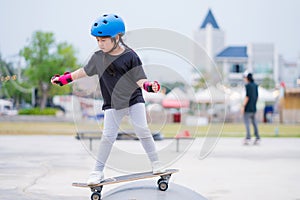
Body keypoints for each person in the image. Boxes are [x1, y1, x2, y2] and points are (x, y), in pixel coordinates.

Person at [51, 13, 165, 185]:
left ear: (117, 38)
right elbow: (83, 71)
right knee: (108, 137)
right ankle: (97, 172)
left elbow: (140, 79)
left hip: (134, 100)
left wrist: (149, 86)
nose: (100, 43)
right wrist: (64, 79)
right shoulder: (98, 58)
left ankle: (156, 163)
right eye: (98, 40)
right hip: (112, 103)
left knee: (142, 130)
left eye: (103, 40)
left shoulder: (130, 56)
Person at [241, 72, 260, 145]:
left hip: (248, 108)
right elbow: (257, 97)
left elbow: (247, 97)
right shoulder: (255, 86)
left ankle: (248, 138)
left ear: (247, 78)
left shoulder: (247, 86)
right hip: (254, 108)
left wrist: (243, 106)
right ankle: (257, 138)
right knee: (254, 123)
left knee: (247, 123)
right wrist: (254, 104)